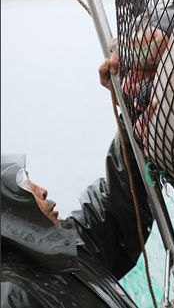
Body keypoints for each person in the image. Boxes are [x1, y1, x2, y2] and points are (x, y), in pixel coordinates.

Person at [1, 60, 153, 308]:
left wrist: (130, 110)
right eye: (23, 186)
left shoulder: (72, 247)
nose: (42, 190)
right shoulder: (12, 296)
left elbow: (120, 205)